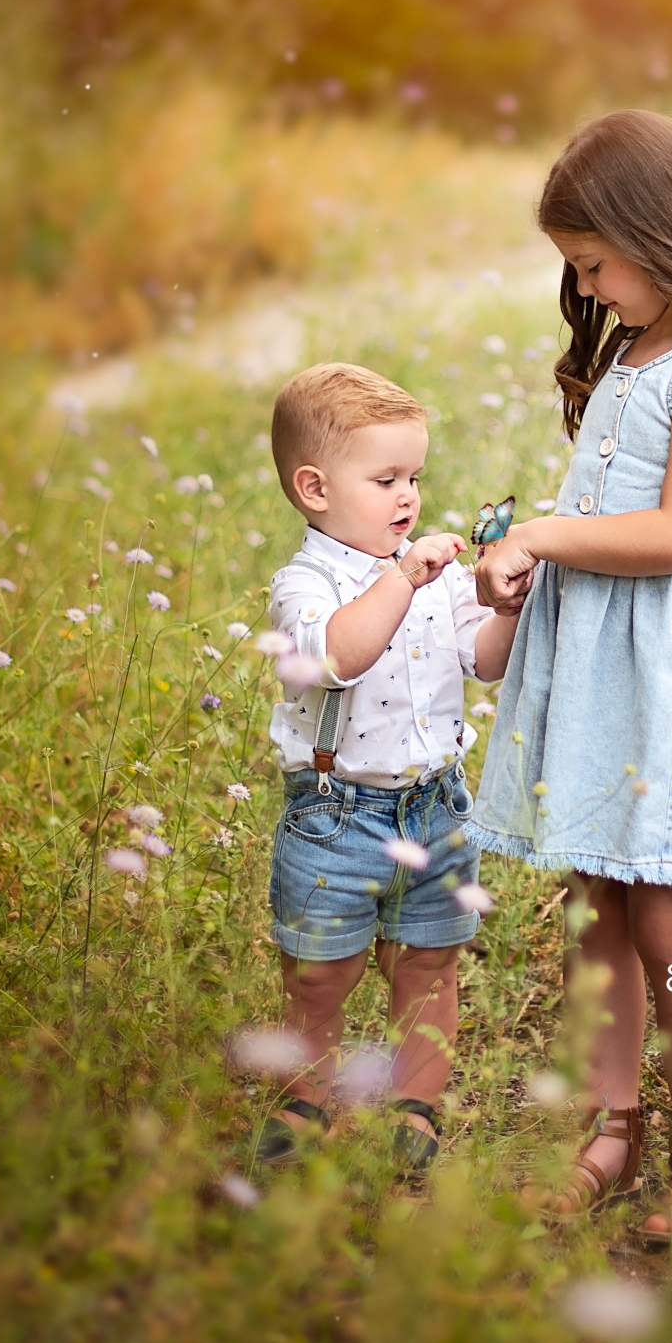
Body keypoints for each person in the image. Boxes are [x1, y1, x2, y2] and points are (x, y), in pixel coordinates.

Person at [469, 109, 672, 1244]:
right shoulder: (631, 355)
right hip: (597, 664)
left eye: (596, 263)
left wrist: (546, 535)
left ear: (663, 232)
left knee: (668, 916)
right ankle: (609, 1131)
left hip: (669, 677)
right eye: (575, 270)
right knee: (594, 908)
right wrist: (520, 579)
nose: (589, 289)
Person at [253, 362, 519, 1173]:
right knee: (319, 975)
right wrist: (402, 578)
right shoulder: (304, 586)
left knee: (429, 966)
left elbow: (483, 662)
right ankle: (309, 1096)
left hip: (433, 807)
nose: (408, 496)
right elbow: (337, 655)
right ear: (315, 487)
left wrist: (507, 609)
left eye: (415, 476)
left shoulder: (432, 578)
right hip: (336, 816)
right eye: (385, 478)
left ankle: (416, 1104)